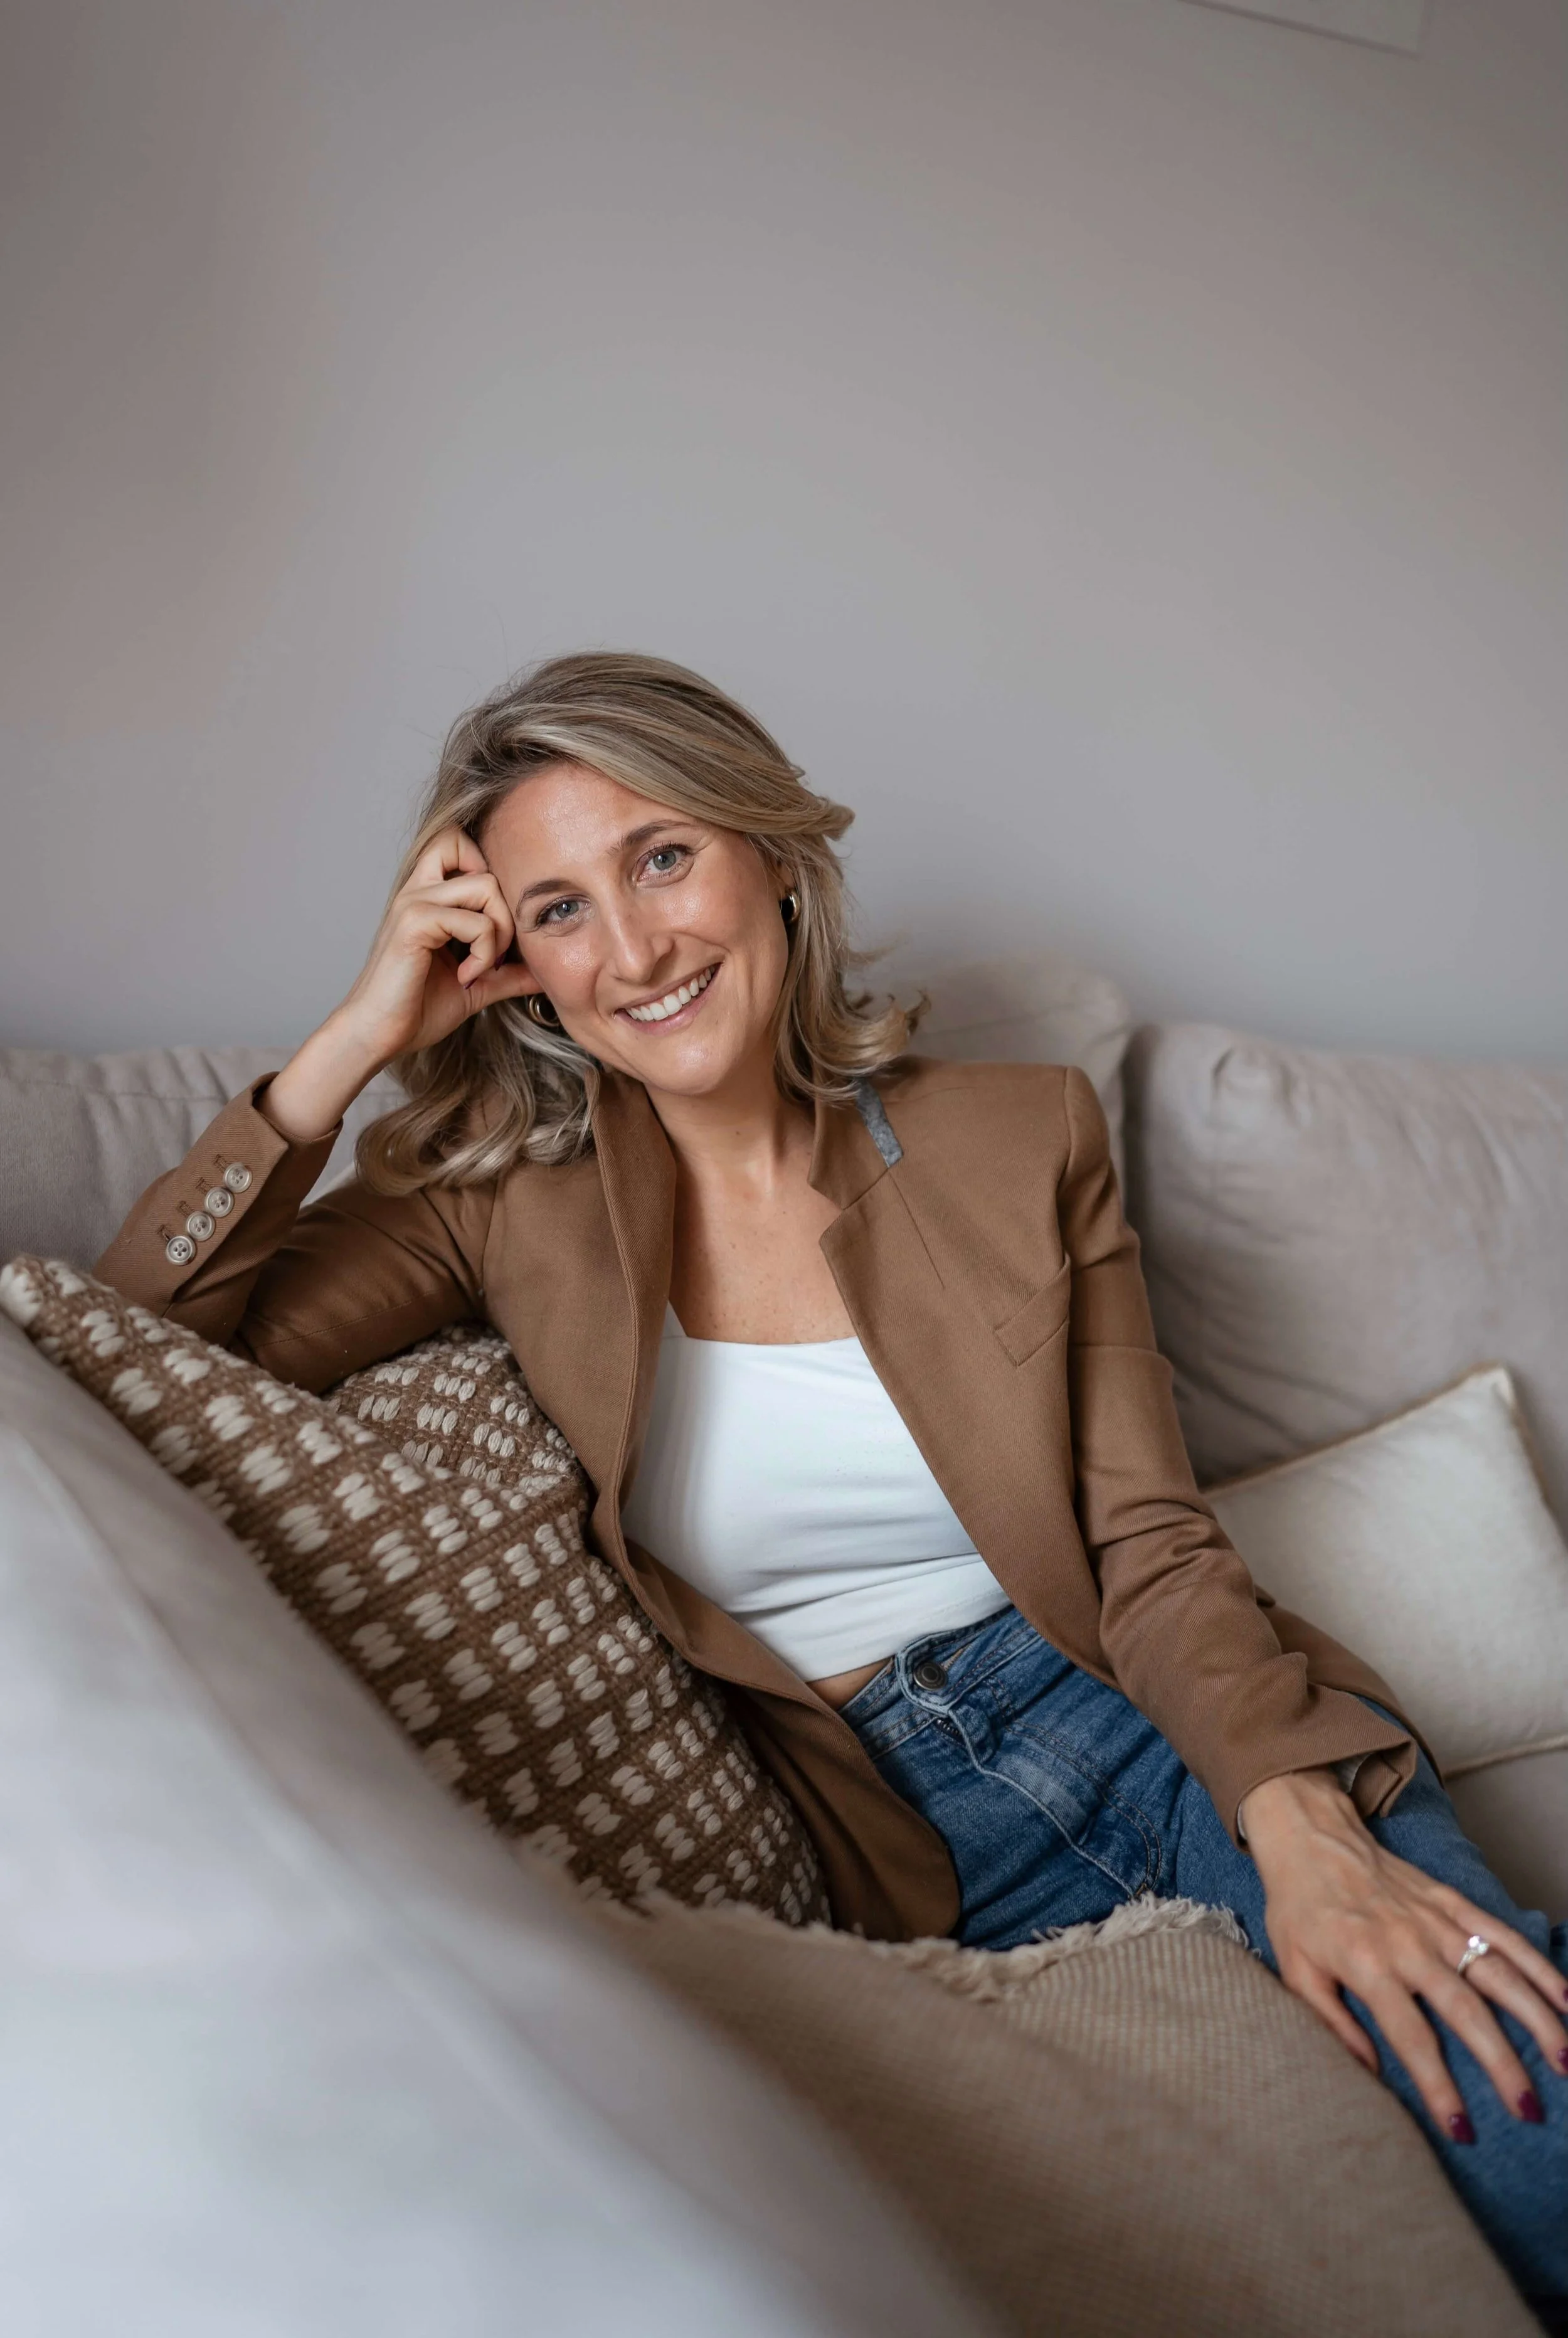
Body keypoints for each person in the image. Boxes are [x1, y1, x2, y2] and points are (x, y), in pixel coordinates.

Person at [98, 652, 1565, 2310]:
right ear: (510, 961)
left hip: (1155, 1721)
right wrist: (363, 1028)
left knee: (1513, 2107)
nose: (636, 948)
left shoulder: (1023, 1134)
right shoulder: (496, 1196)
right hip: (888, 1840)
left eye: (660, 857)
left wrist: (1296, 1826)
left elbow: (1148, 1541)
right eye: (560, 908)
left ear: (770, 853)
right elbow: (149, 1339)